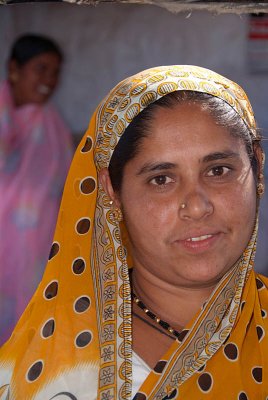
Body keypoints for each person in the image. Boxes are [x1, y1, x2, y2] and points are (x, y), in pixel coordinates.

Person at [0, 65, 267, 399]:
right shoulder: (49, 360)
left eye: (218, 170)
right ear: (112, 190)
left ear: (257, 165)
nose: (197, 207)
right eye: (161, 179)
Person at [0, 34, 73, 344]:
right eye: (40, 68)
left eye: (55, 72)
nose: (49, 80)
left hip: (40, 240)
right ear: (14, 69)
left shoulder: (50, 121)